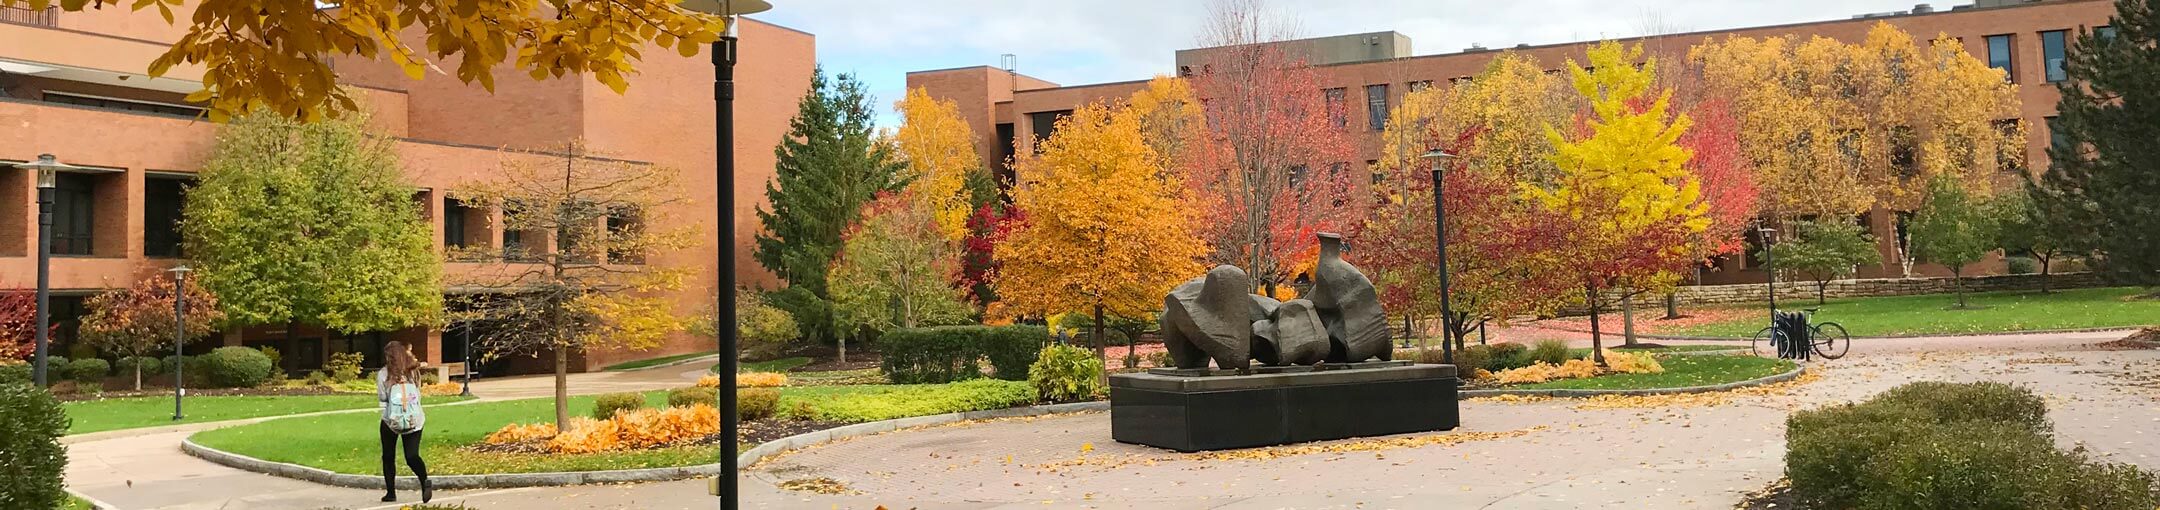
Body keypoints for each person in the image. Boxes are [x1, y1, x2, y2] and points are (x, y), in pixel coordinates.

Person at [376, 341, 432, 503]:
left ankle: (391, 493)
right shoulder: (413, 373)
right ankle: (424, 481)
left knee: (388, 456)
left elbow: (383, 398)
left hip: (391, 420)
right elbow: (418, 394)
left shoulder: (383, 374)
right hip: (415, 419)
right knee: (412, 455)